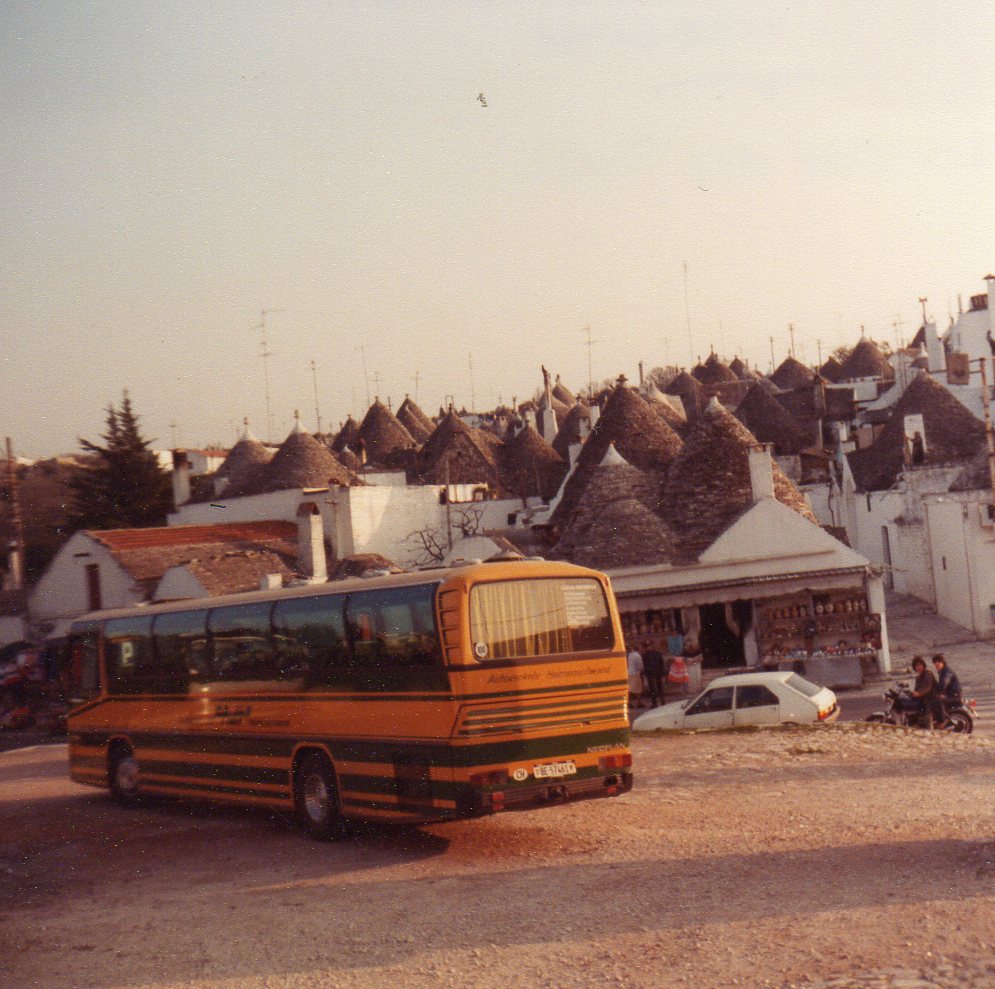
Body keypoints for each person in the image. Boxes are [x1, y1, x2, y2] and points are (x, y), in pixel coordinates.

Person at [904, 655, 937, 726]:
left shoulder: (928, 673)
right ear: (914, 667)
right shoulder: (918, 677)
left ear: (923, 665)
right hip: (923, 698)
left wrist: (919, 694)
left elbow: (928, 687)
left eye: (920, 665)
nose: (918, 667)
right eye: (916, 665)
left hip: (931, 698)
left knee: (927, 716)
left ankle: (930, 729)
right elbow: (917, 689)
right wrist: (909, 693)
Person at [931, 653, 962, 728]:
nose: (936, 665)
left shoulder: (947, 671)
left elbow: (943, 683)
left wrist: (938, 693)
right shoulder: (942, 671)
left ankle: (942, 721)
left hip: (954, 695)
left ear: (942, 662)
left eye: (938, 662)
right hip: (950, 694)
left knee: (937, 700)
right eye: (935, 663)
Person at [642, 641, 665, 709]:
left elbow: (645, 665)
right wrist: (662, 672)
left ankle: (654, 703)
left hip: (650, 673)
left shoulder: (645, 655)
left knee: (652, 689)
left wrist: (645, 674)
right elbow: (662, 663)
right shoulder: (658, 653)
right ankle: (662, 701)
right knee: (660, 687)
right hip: (658, 672)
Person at [626, 643, 645, 709]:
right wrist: (642, 670)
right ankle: (639, 702)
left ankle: (629, 702)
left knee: (630, 689)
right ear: (638, 649)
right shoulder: (637, 656)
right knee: (637, 689)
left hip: (628, 673)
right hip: (635, 673)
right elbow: (640, 666)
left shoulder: (630, 655)